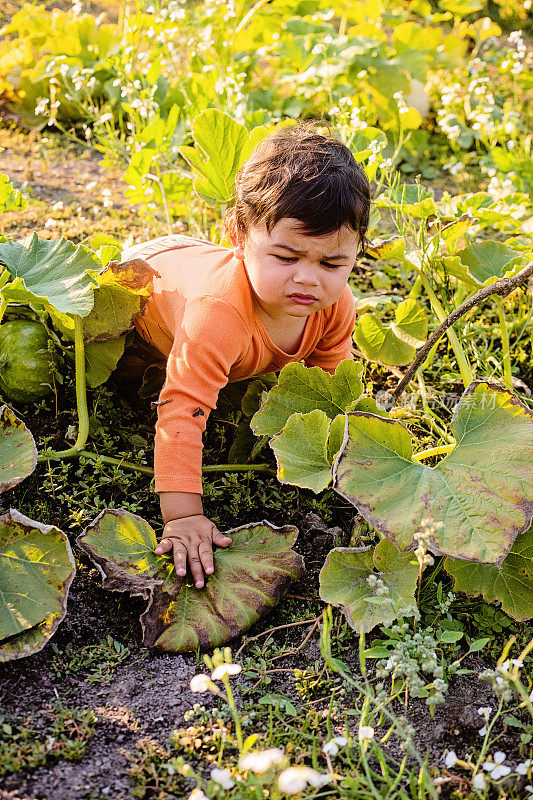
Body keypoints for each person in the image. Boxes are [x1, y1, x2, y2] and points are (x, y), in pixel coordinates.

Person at [121, 122, 371, 589]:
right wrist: (184, 517)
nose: (308, 279)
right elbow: (181, 410)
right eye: (286, 257)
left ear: (357, 252)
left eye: (332, 263)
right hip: (139, 291)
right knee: (124, 382)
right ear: (238, 233)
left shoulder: (336, 307)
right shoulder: (217, 315)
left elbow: (328, 390)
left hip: (197, 266)